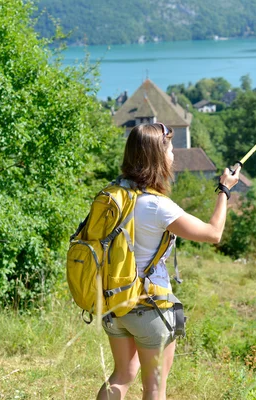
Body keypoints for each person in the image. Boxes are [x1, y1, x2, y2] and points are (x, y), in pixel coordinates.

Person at [97, 122, 240, 400]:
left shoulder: (112, 195)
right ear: (158, 157)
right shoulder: (158, 205)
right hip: (151, 308)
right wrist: (224, 189)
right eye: (171, 149)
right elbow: (213, 234)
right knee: (154, 389)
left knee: (121, 376)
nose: (174, 155)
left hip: (114, 303)